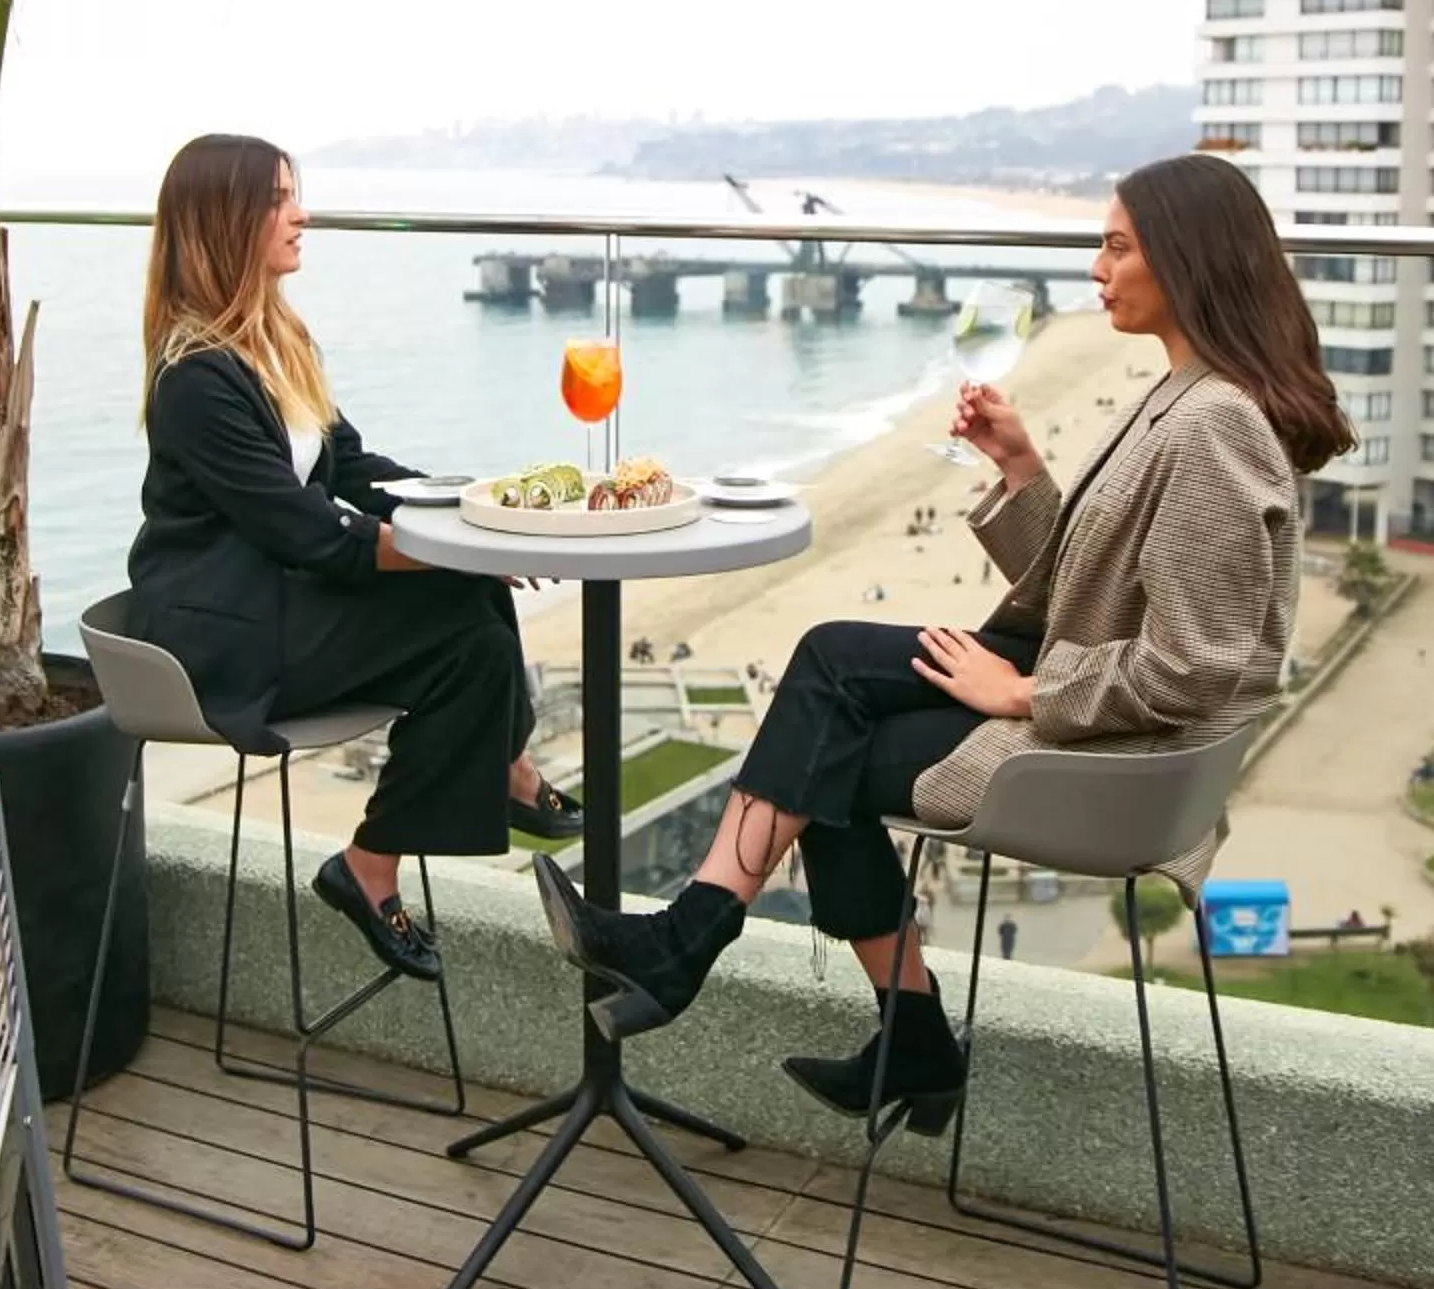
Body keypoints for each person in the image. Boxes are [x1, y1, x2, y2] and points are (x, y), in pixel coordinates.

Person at [535, 153, 1349, 1133]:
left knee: (818, 761)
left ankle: (716, 951)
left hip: (1113, 754)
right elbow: (1095, 573)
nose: (1094, 266)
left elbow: (1194, 664)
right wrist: (1018, 467)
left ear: (1186, 262)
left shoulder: (1212, 423)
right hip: (1090, 703)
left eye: (1116, 246)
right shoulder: (1183, 394)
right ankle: (820, 999)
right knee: (828, 666)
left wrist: (1022, 697)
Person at [128, 134, 581, 981]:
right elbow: (309, 533)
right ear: (227, 221)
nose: (301, 214)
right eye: (279, 199)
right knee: (468, 610)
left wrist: (474, 509)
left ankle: (397, 846)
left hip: (278, 602)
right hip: (223, 636)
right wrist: (463, 556)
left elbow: (351, 470)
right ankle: (453, 807)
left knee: (478, 619)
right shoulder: (195, 378)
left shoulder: (276, 337)